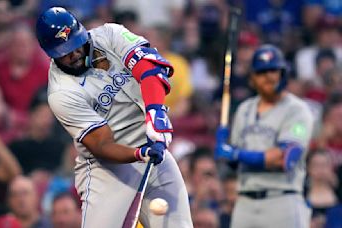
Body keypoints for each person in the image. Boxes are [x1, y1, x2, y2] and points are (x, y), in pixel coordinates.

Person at [35, 7, 192, 228]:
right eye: (65, 52)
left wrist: (155, 111)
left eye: (76, 44)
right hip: (107, 171)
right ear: (51, 54)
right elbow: (102, 143)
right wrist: (139, 153)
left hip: (154, 150)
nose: (74, 54)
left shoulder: (110, 34)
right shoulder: (61, 93)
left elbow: (150, 68)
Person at [215, 44, 315, 228]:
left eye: (273, 70)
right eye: (261, 72)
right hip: (245, 200)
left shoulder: (298, 111)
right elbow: (235, 159)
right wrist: (225, 152)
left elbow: (285, 159)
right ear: (252, 79)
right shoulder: (244, 110)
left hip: (282, 200)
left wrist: (235, 154)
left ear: (283, 74)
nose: (268, 77)